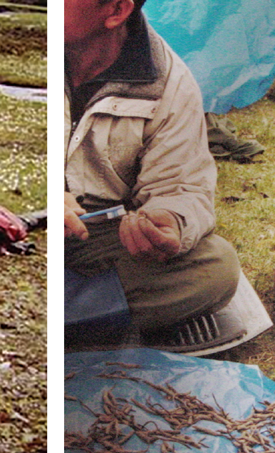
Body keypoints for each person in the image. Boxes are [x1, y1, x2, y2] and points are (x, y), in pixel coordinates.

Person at [63, 0, 240, 339]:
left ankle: (66, 316)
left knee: (216, 267)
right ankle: (81, 320)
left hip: (94, 234)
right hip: (25, 224)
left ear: (116, 10)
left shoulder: (169, 82)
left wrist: (170, 219)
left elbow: (182, 187)